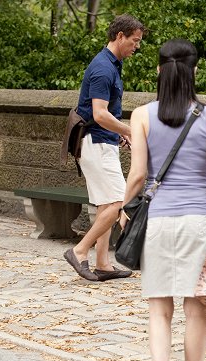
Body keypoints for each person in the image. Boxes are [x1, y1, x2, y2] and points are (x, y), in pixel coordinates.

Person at [119, 38, 206, 361]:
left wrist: (123, 209)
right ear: (194, 71)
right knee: (196, 307)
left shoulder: (140, 116)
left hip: (158, 220)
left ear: (158, 70)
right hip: (200, 219)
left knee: (158, 308)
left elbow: (138, 175)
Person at [63, 14, 146, 282]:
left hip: (101, 142)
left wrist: (119, 136)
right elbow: (99, 114)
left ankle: (102, 263)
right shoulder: (103, 68)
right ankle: (79, 251)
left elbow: (101, 114)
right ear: (119, 36)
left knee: (105, 204)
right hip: (95, 143)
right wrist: (131, 130)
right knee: (117, 203)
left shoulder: (112, 65)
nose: (137, 46)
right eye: (134, 41)